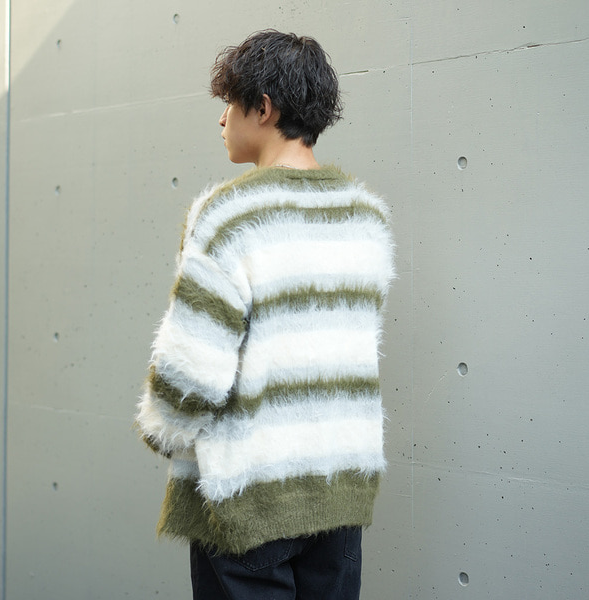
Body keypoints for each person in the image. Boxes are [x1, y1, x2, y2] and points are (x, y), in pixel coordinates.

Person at [135, 29, 395, 600]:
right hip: (338, 490)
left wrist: (163, 430)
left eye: (229, 104)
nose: (222, 119)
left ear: (264, 108)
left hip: (248, 495)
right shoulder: (366, 217)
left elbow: (191, 370)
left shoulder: (230, 216)